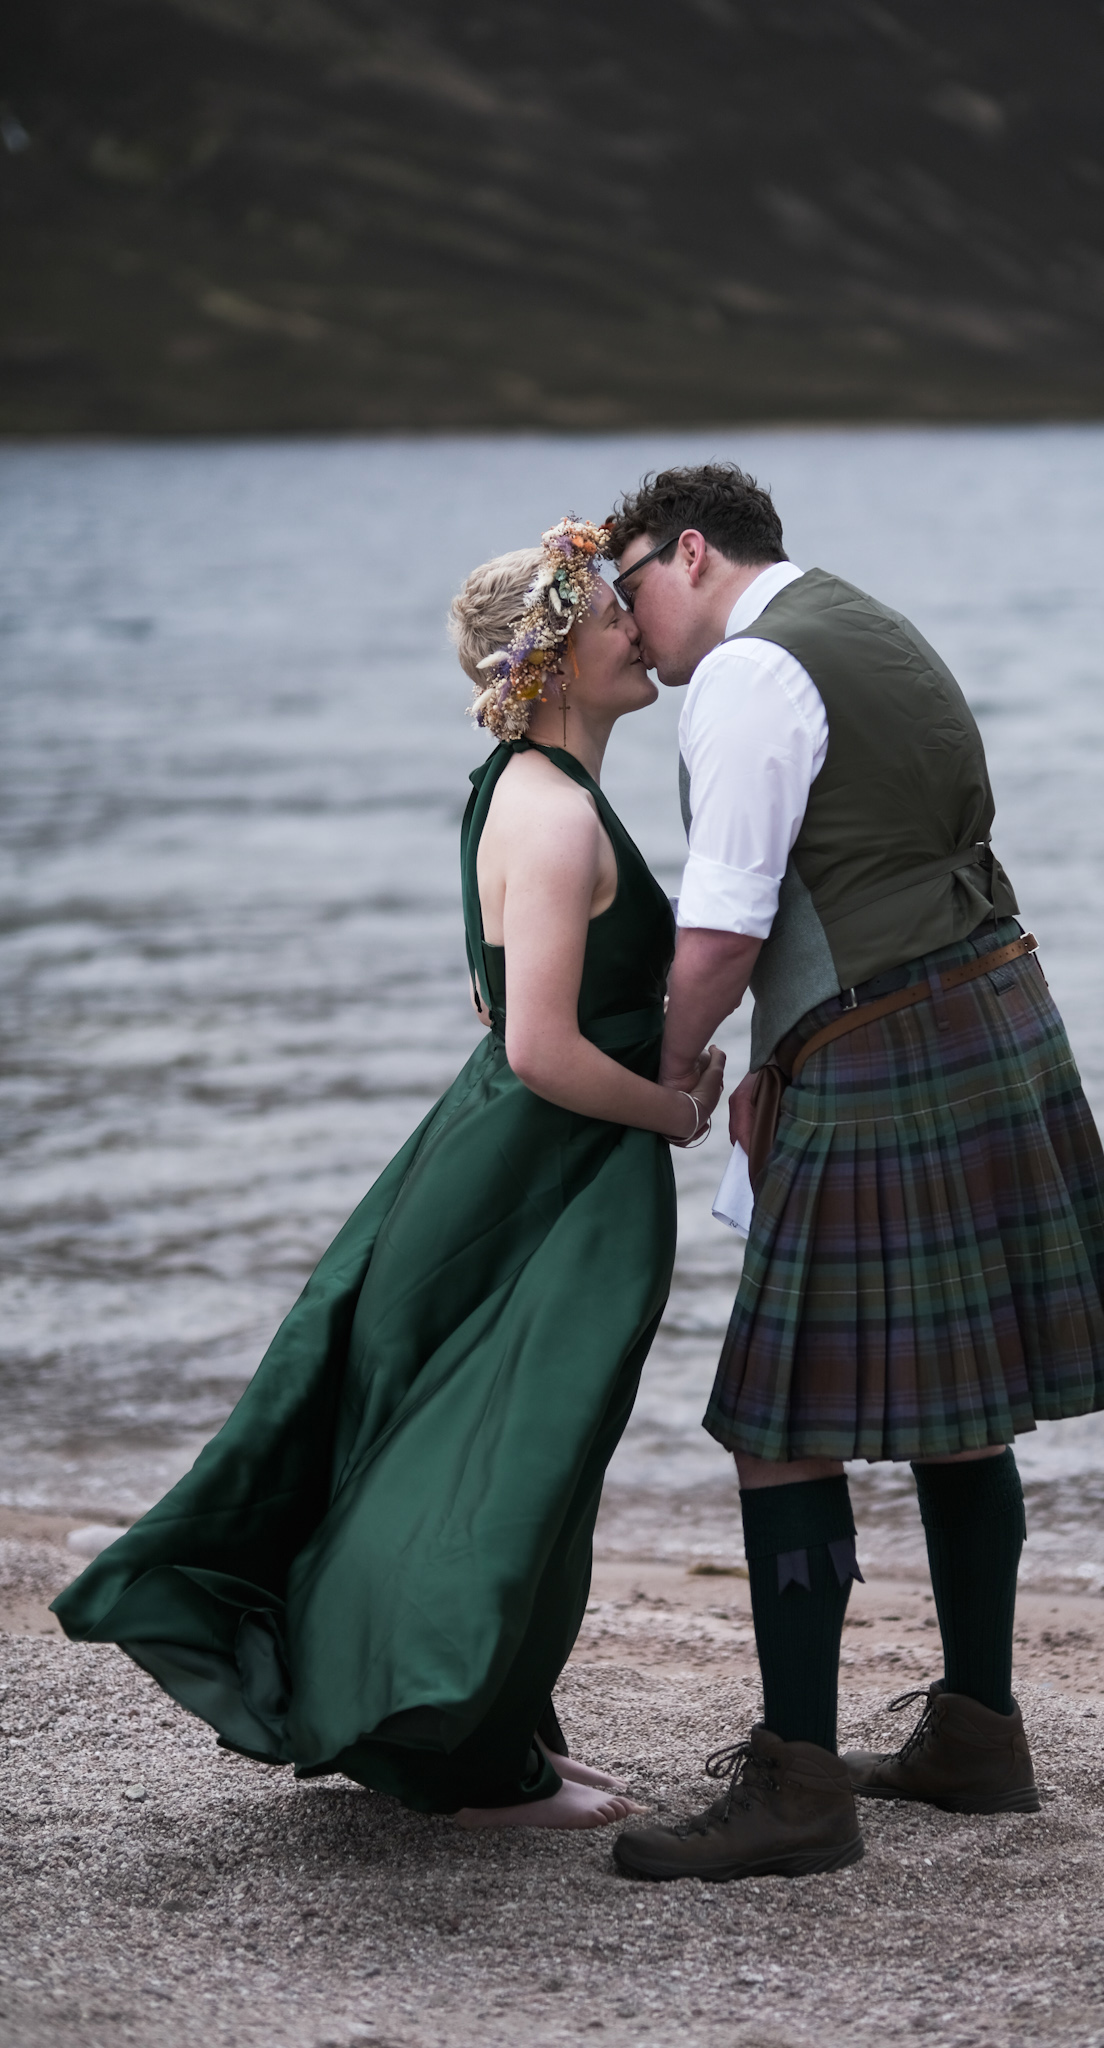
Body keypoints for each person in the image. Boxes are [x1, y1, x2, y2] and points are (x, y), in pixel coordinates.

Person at [52, 518, 725, 1832]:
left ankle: (498, 1733)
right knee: (506, 1457)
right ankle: (461, 1759)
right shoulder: (543, 814)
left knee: (520, 1455)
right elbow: (536, 1048)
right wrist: (671, 1109)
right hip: (540, 1175)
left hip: (552, 1171)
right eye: (608, 617)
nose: (638, 629)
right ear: (546, 664)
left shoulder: (543, 792)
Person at [606, 466, 1104, 1883]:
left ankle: (795, 1786)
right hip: (981, 1004)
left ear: (693, 553)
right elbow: (864, 862)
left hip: (890, 1040)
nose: (631, 627)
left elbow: (720, 931)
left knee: (780, 1423)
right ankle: (977, 1732)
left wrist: (666, 1076)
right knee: (959, 1415)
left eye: (633, 587)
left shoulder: (746, 672)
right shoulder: (866, 623)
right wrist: (777, 1056)